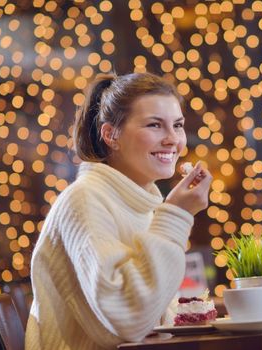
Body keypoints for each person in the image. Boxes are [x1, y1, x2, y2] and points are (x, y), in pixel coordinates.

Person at [25, 72, 212, 349]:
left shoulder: (142, 204)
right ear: (111, 134)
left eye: (178, 125)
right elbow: (130, 321)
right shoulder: (84, 200)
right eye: (154, 125)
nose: (173, 140)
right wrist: (176, 214)